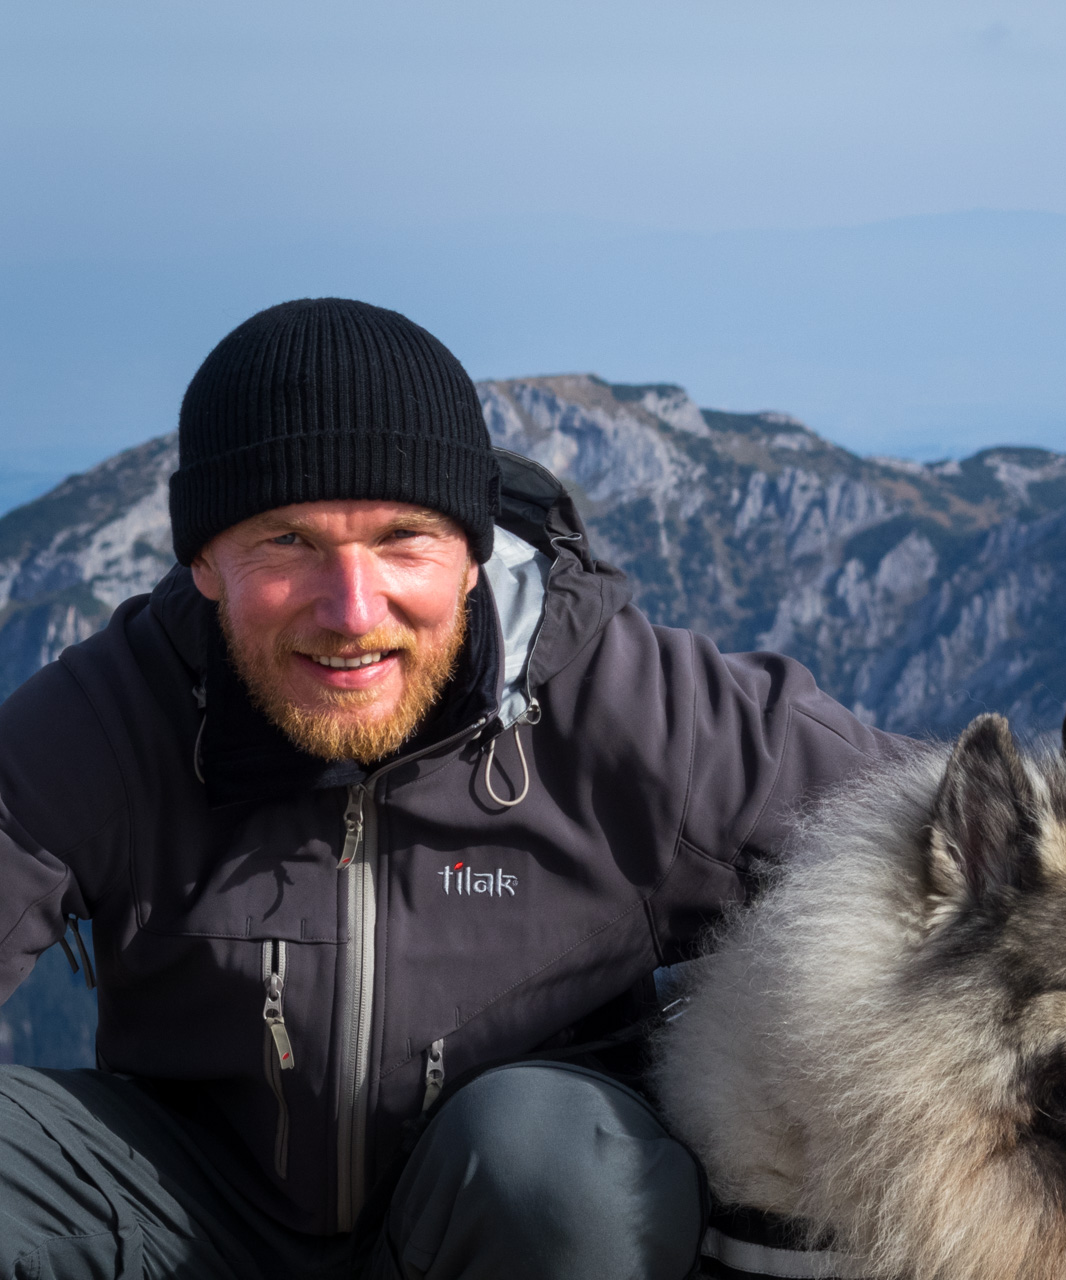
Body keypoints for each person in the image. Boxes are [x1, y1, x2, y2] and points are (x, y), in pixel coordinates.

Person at [0, 298, 898, 1279]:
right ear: (205, 563)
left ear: (471, 553)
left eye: (403, 539)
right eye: (287, 541)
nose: (351, 610)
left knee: (559, 1165)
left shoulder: (635, 708)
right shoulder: (120, 705)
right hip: (191, 1208)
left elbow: (959, 845)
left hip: (498, 1224)